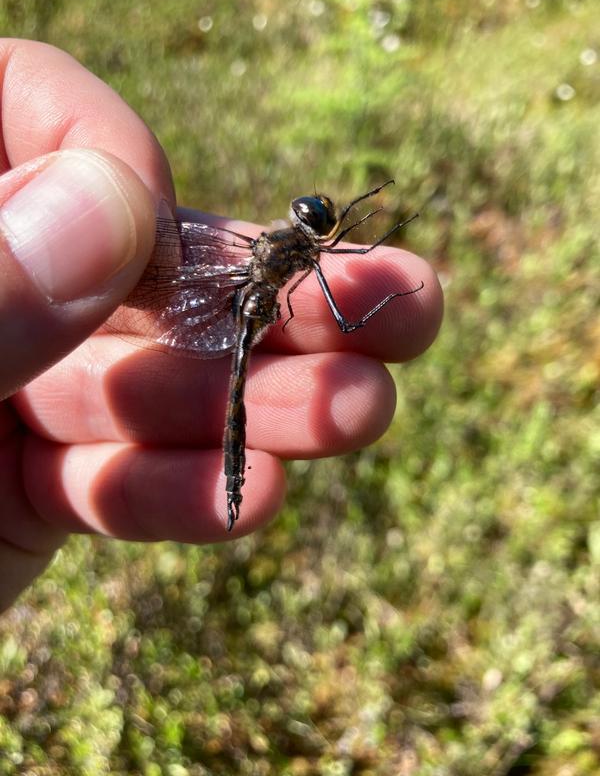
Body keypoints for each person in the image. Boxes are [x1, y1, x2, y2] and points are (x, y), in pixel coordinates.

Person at [0, 39, 444, 611]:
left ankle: (231, 482)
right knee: (334, 327)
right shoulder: (299, 250)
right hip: (248, 306)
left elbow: (336, 253)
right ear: (305, 226)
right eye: (318, 215)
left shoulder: (277, 245)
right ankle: (231, 478)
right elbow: (349, 259)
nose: (321, 219)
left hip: (247, 302)